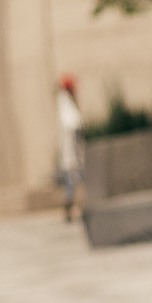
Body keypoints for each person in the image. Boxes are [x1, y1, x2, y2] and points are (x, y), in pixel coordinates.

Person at [55, 75, 84, 222]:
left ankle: (70, 210)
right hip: (71, 158)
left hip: (72, 156)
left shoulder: (66, 105)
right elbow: (73, 127)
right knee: (71, 184)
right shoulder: (67, 108)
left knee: (71, 184)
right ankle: (68, 211)